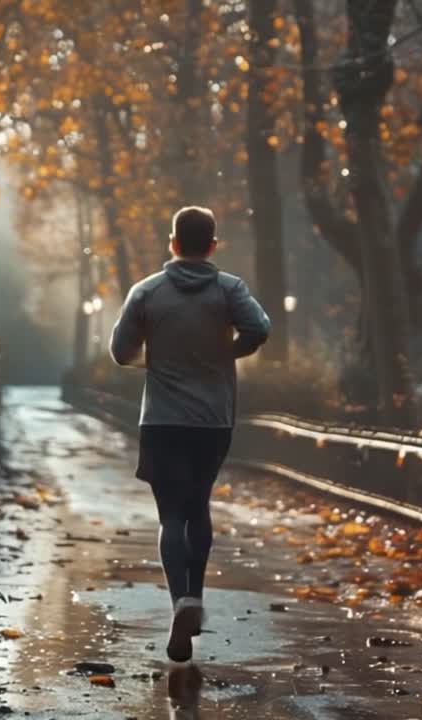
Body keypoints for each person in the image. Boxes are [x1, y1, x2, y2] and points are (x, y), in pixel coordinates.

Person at [109, 206, 271, 663]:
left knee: (170, 516)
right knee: (198, 504)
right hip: (212, 421)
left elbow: (121, 352)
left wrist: (155, 357)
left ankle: (180, 600)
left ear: (173, 243)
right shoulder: (228, 289)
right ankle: (195, 596)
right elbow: (260, 328)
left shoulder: (147, 292)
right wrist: (227, 353)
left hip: (161, 420)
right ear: (213, 245)